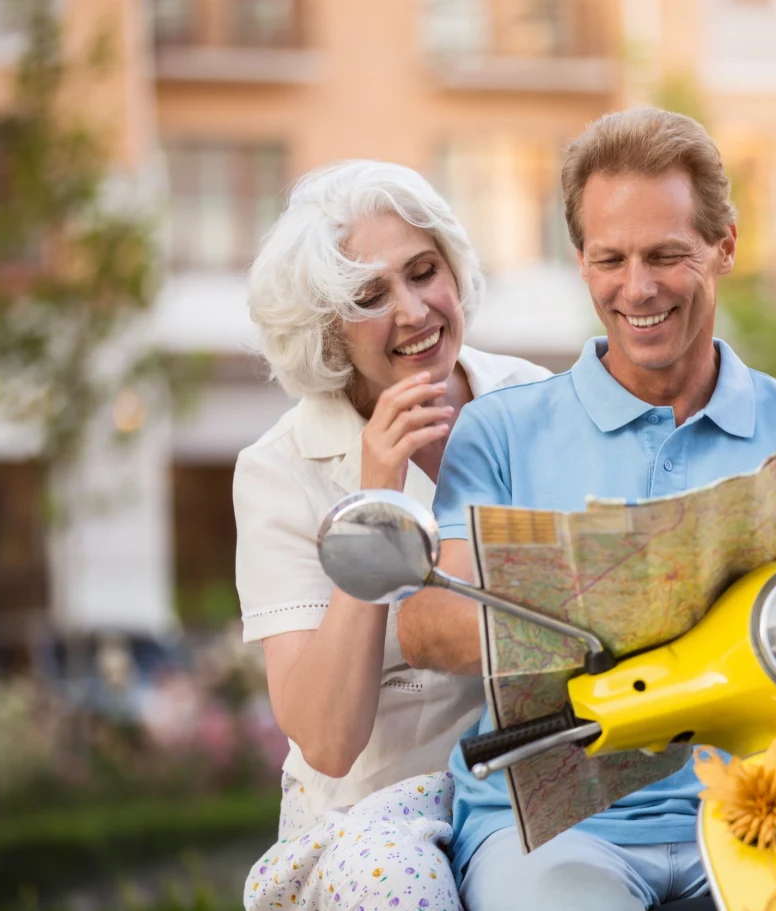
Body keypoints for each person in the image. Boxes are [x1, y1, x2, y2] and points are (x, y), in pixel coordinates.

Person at [400, 108, 776, 911]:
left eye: (666, 255)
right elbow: (429, 624)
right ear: (582, 262)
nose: (637, 288)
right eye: (611, 258)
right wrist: (621, 607)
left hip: (761, 807)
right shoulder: (501, 431)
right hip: (553, 830)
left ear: (725, 245)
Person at [232, 160, 550, 911]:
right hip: (372, 822)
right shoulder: (278, 470)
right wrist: (373, 503)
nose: (412, 310)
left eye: (423, 271)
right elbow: (327, 740)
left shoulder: (533, 400)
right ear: (327, 331)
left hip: (526, 785)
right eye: (370, 297)